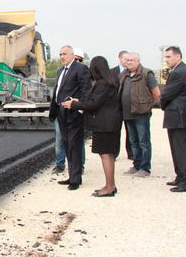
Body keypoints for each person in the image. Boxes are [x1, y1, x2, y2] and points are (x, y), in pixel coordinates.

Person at [63, 56, 122, 197]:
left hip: (104, 124)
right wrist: (78, 101)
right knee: (109, 154)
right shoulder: (112, 81)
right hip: (111, 123)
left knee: (105, 155)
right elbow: (94, 100)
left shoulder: (102, 84)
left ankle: (109, 187)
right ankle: (111, 185)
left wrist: (74, 104)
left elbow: (93, 104)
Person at [49, 45, 91, 190]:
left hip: (74, 113)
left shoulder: (81, 69)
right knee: (67, 144)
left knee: (75, 145)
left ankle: (76, 179)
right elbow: (58, 91)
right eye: (60, 54)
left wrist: (79, 107)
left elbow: (86, 90)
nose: (62, 56)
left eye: (65, 54)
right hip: (61, 112)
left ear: (72, 55)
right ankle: (72, 175)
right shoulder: (61, 71)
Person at [118, 52, 160, 177]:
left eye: (132, 60)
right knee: (133, 141)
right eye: (127, 60)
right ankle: (136, 165)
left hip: (141, 114)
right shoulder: (123, 75)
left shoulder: (147, 74)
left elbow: (156, 93)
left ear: (138, 61)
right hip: (127, 113)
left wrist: (147, 105)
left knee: (143, 141)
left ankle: (145, 168)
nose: (129, 62)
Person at [160, 46, 186, 192]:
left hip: (178, 115)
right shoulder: (180, 70)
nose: (166, 60)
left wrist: (162, 104)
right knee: (177, 148)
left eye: (169, 57)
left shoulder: (179, 73)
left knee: (180, 148)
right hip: (178, 115)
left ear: (178, 57)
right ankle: (180, 176)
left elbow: (167, 94)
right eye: (165, 57)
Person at [112, 50, 133, 160]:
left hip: (129, 107)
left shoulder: (132, 71)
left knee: (130, 131)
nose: (127, 61)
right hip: (116, 107)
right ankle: (114, 153)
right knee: (116, 130)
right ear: (120, 58)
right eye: (125, 59)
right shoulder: (112, 72)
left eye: (129, 59)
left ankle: (131, 153)